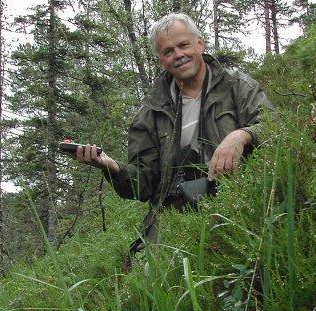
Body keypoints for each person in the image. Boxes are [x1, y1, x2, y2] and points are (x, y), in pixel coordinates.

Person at [73, 13, 274, 243]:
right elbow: (144, 185)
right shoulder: (149, 112)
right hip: (174, 214)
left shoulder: (236, 86)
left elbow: (273, 126)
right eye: (168, 51)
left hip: (236, 198)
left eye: (183, 45)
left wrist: (242, 135)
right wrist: (111, 167)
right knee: (155, 273)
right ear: (162, 60)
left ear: (200, 44)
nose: (178, 55)